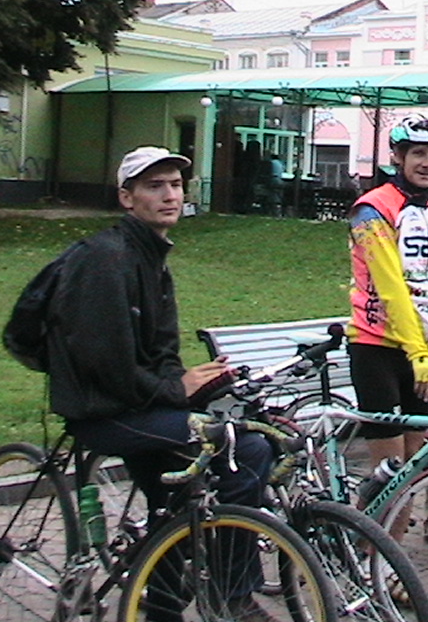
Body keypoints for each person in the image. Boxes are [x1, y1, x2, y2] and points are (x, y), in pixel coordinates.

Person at [50, 146, 274, 621]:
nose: (170, 195)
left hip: (140, 403)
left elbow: (159, 353)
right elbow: (106, 364)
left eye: (175, 185)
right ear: (126, 198)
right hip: (103, 412)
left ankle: (163, 604)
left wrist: (199, 384)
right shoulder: (106, 260)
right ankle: (231, 596)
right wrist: (177, 389)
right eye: (155, 186)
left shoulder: (151, 256)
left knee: (221, 462)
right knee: (243, 450)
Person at [346, 114, 428, 493]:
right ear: (398, 156)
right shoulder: (371, 209)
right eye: (419, 153)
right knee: (390, 476)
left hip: (417, 352)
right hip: (377, 348)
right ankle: (358, 531)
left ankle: (390, 535)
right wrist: (420, 355)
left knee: (414, 474)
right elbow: (391, 288)